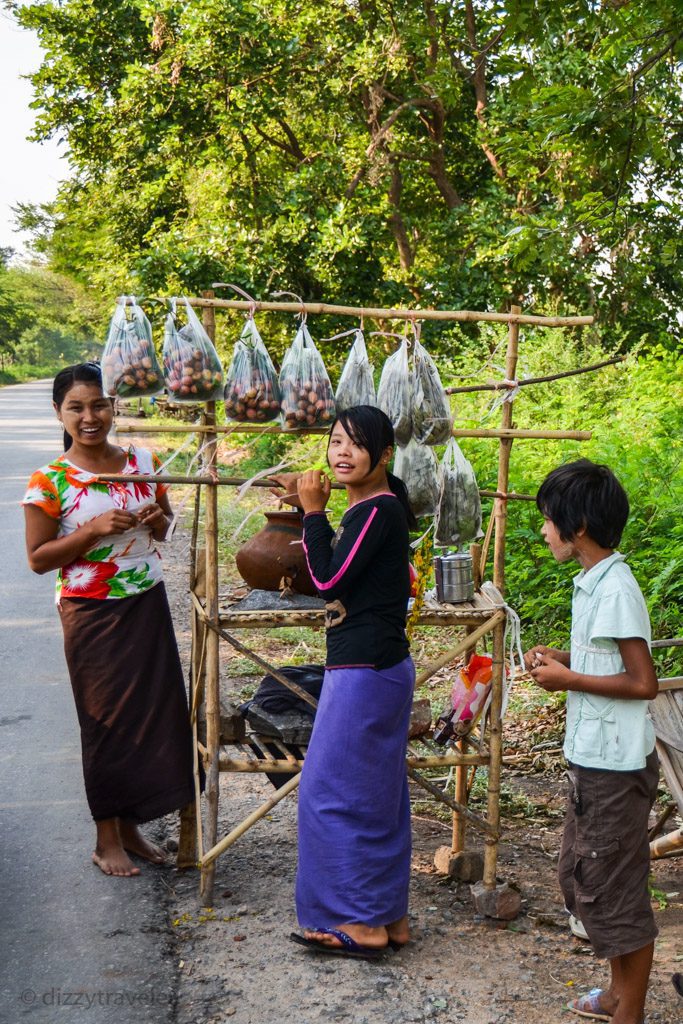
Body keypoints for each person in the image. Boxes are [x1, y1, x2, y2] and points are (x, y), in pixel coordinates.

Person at [22, 362, 195, 877]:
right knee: (104, 723)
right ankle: (105, 838)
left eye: (99, 404)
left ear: (114, 405)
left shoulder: (145, 460)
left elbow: (165, 530)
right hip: (91, 613)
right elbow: (38, 558)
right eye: (76, 407)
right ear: (60, 413)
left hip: (147, 599)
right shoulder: (51, 481)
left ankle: (131, 828)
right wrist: (94, 530)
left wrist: (157, 519)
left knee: (155, 715)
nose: (90, 416)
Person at [271, 405, 417, 959]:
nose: (341, 453)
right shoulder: (375, 508)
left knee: (329, 794)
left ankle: (356, 923)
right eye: (335, 442)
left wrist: (313, 512)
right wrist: (318, 513)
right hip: (379, 669)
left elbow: (328, 578)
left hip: (363, 672)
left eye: (356, 445)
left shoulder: (376, 511)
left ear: (383, 457)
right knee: (377, 796)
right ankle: (387, 918)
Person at [523, 459, 659, 1024]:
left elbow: (642, 681)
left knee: (616, 893)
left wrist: (569, 680)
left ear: (577, 525)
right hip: (591, 761)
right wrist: (566, 660)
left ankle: (631, 1010)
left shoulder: (618, 589)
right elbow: (609, 665)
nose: (544, 531)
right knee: (584, 882)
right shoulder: (593, 584)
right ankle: (613, 994)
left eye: (549, 520)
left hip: (616, 768)